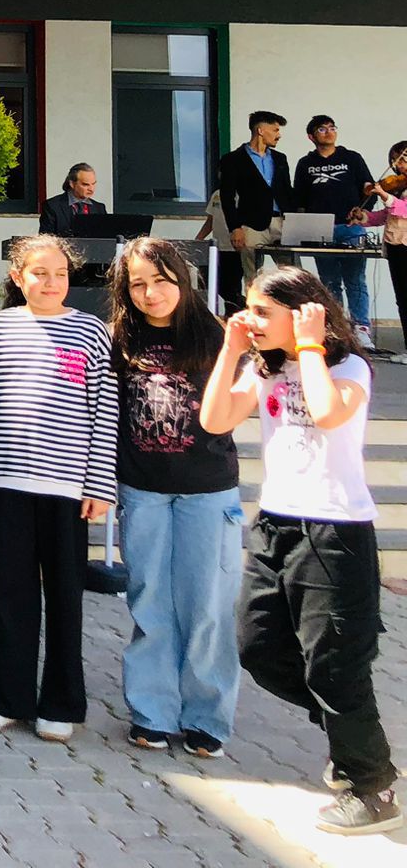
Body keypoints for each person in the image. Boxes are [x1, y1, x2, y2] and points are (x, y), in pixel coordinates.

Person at [201, 266, 399, 837]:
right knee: (257, 647)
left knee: (335, 667)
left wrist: (310, 346)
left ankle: (374, 789)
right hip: (276, 526)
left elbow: (330, 413)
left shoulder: (347, 365)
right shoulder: (266, 367)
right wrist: (231, 350)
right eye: (248, 309)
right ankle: (353, 738)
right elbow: (214, 419)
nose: (251, 319)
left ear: (305, 312)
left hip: (335, 533)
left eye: (263, 311)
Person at [0, 235, 117, 742]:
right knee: (7, 594)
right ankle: (4, 698)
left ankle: (61, 704)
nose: (51, 283)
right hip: (5, 484)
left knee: (65, 597)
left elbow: (105, 411)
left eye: (60, 274)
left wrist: (100, 483)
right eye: (39, 273)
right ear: (17, 277)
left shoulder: (91, 331)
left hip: (67, 488)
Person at [107, 236, 240, 758]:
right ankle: (152, 712)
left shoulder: (216, 336)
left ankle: (206, 716)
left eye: (161, 280)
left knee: (207, 606)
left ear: (182, 281)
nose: (150, 293)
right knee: (150, 602)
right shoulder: (119, 339)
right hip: (143, 490)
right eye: (138, 284)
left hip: (208, 490)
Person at [293, 115, 378, 350]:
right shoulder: (305, 163)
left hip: (351, 228)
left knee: (355, 280)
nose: (329, 132)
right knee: (329, 282)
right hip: (320, 229)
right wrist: (302, 226)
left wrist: (363, 212)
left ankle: (361, 329)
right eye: (322, 129)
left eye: (332, 128)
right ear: (311, 136)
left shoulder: (352, 158)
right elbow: (300, 198)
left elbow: (369, 189)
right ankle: (338, 329)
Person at [217, 110, 292, 285]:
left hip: (281, 222)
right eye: (275, 130)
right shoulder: (233, 159)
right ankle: (254, 302)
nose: (279, 135)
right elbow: (227, 197)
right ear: (260, 130)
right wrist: (235, 228)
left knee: (292, 274)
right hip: (251, 225)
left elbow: (287, 191)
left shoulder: (280, 159)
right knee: (252, 275)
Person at [376, 141, 407, 355]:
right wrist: (364, 217)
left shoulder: (394, 193)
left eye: (404, 159)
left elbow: (403, 209)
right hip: (395, 246)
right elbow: (387, 216)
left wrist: (385, 196)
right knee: (402, 299)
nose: (400, 164)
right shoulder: (398, 186)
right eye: (396, 160)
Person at [38, 164, 105, 237]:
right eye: (85, 184)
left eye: (93, 184)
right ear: (72, 184)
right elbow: (45, 238)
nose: (91, 189)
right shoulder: (52, 206)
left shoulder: (99, 208)